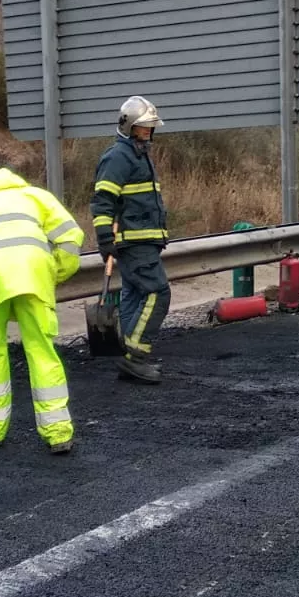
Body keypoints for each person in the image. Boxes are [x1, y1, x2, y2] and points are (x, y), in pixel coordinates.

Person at [0, 166, 85, 453]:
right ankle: (58, 432)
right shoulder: (35, 196)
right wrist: (55, 272)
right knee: (41, 351)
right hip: (33, 273)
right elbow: (71, 236)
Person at [91, 96, 171, 385]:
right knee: (157, 293)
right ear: (128, 127)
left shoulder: (139, 155)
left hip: (144, 241)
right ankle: (135, 358)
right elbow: (103, 202)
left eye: (150, 128)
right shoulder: (118, 157)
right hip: (133, 244)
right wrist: (104, 239)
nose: (147, 132)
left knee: (135, 296)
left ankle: (127, 351)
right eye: (142, 128)